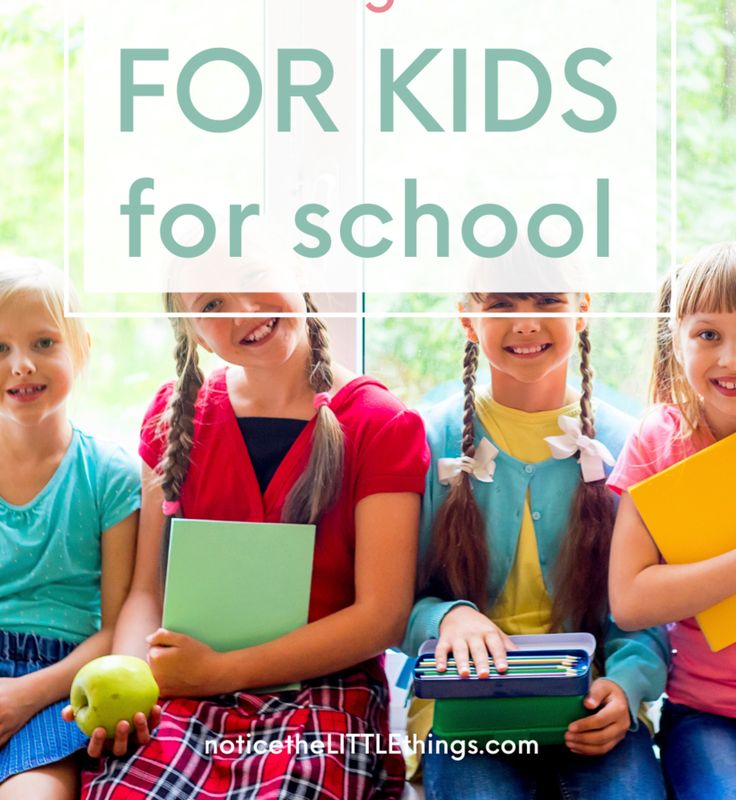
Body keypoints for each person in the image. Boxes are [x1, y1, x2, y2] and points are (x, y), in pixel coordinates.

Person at [79, 287, 429, 800]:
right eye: (211, 306)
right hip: (185, 683)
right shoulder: (176, 413)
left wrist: (217, 673)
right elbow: (147, 593)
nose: (243, 312)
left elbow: (382, 615)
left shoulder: (379, 422)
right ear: (190, 329)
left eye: (253, 279)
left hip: (323, 687)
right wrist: (133, 680)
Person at [402, 289, 669, 800]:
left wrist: (627, 686)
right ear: (467, 318)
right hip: (465, 715)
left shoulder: (628, 442)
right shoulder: (426, 435)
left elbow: (642, 612)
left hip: (589, 706)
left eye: (547, 302)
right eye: (502, 305)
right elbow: (392, 602)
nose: (526, 324)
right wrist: (446, 617)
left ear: (583, 308)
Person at [0, 257, 140, 798]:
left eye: (43, 343)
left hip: (62, 681)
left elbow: (114, 627)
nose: (20, 366)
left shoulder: (110, 475)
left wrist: (22, 696)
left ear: (82, 350)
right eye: (1, 348)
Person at [608, 242, 736, 800]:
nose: (729, 358)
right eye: (709, 335)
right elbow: (631, 600)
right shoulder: (660, 439)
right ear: (676, 338)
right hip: (708, 714)